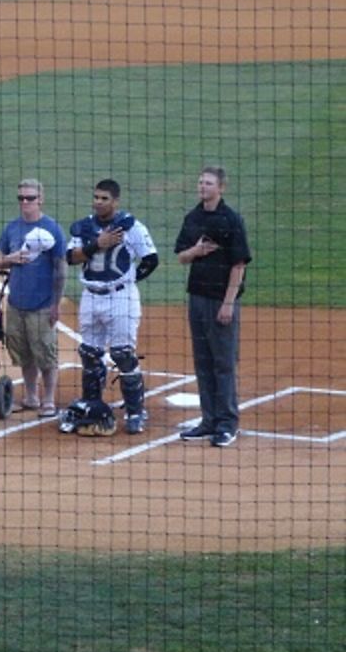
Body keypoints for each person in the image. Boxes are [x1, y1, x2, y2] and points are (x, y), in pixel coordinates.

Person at [65, 179, 159, 435]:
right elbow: (70, 257)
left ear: (115, 201)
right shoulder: (83, 227)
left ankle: (135, 411)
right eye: (96, 197)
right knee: (90, 353)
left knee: (122, 354)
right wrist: (98, 244)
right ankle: (94, 408)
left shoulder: (130, 227)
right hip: (91, 296)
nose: (98, 202)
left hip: (121, 297)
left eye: (104, 198)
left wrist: (129, 281)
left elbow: (151, 259)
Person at [174, 167, 252, 447]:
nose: (202, 187)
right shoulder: (193, 217)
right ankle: (209, 421)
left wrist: (229, 303)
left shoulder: (231, 220)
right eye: (200, 182)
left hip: (221, 300)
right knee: (203, 362)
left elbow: (239, 264)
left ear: (221, 188)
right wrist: (194, 251)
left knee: (223, 363)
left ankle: (227, 423)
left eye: (208, 183)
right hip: (196, 298)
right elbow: (181, 256)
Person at [0, 179, 67, 417]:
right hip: (16, 303)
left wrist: (56, 303)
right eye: (21, 198)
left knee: (45, 354)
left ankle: (48, 400)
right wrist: (11, 258)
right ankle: (31, 396)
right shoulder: (12, 228)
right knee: (24, 353)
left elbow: (61, 269)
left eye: (30, 198)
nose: (25, 202)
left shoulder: (53, 228)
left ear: (40, 199)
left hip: (42, 305)